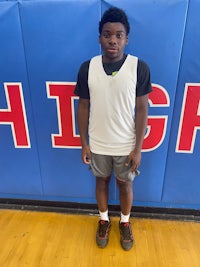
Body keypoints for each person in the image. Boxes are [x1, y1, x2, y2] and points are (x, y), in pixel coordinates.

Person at [74, 6, 152, 251]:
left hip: (125, 145)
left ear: (126, 39)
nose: (112, 40)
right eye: (107, 34)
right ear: (99, 38)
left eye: (119, 35)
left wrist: (138, 149)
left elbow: (142, 110)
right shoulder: (88, 68)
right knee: (101, 183)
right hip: (98, 143)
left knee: (125, 185)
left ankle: (125, 222)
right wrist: (84, 143)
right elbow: (83, 107)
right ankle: (104, 219)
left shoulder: (139, 67)